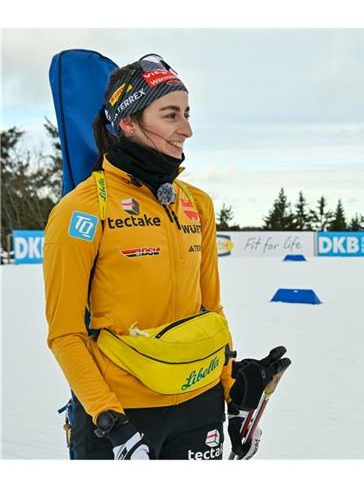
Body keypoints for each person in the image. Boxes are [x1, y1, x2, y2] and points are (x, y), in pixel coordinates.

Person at [43, 53, 289, 460]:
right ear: (127, 122)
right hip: (122, 414)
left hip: (199, 407)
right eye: (171, 115)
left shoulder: (198, 204)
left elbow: (210, 308)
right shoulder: (82, 210)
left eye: (188, 114)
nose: (187, 129)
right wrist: (111, 424)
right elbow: (65, 333)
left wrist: (231, 392)